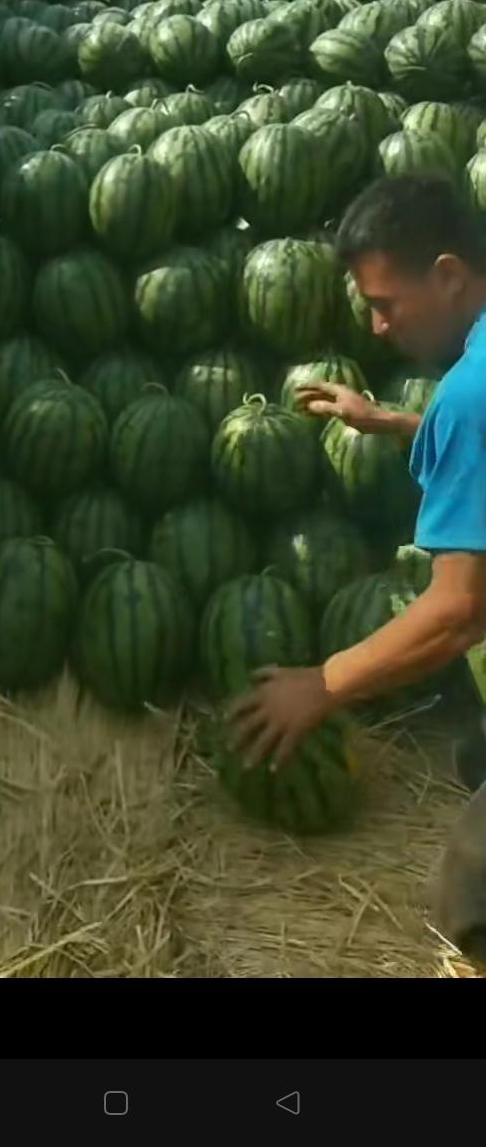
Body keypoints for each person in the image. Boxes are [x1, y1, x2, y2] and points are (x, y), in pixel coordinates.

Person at [229, 174, 486, 963]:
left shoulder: (469, 397)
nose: (375, 326)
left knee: (466, 902)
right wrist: (393, 421)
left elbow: (459, 612)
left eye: (386, 303)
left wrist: (325, 683)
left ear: (447, 275)